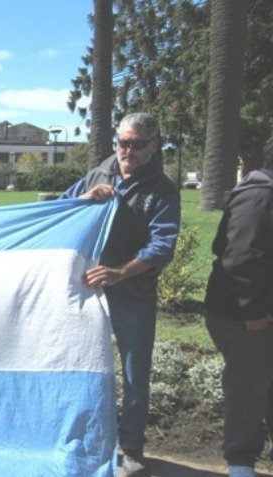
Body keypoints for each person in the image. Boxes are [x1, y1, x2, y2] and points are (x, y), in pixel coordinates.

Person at [61, 112, 180, 475]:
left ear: (154, 145)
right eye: (123, 142)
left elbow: (162, 245)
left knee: (134, 374)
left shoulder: (163, 189)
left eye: (138, 144)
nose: (128, 150)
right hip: (88, 293)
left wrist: (120, 273)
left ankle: (131, 447)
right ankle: (91, 438)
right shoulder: (100, 172)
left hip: (132, 294)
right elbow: (63, 207)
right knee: (83, 366)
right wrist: (85, 196)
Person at [204, 136, 273, 477]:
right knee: (248, 387)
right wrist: (253, 313)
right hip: (243, 315)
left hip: (257, 311)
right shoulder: (260, 197)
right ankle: (241, 463)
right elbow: (240, 258)